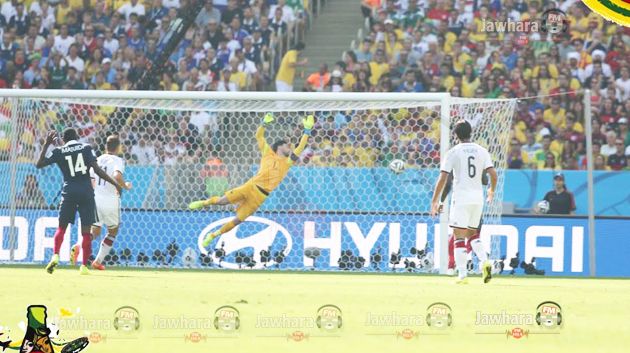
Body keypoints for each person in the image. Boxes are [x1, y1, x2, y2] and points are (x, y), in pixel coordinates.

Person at [189, 113, 314, 247]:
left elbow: (300, 148)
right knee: (221, 201)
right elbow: (258, 136)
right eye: (287, 146)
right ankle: (204, 203)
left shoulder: (288, 162)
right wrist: (264, 124)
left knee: (238, 220)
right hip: (251, 186)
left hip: (260, 196)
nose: (289, 148)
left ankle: (212, 236)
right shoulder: (268, 153)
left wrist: (307, 131)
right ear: (279, 146)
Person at [36, 128, 122, 275]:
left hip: (68, 191)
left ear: (63, 139)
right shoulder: (86, 148)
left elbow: (39, 164)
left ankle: (55, 255)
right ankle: (83, 266)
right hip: (86, 192)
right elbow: (97, 170)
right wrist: (115, 183)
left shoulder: (59, 151)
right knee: (86, 232)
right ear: (77, 136)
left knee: (61, 228)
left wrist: (46, 145)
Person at [430, 120, 497, 284]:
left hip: (461, 198)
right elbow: (493, 174)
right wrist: (491, 190)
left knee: (458, 236)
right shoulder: (482, 151)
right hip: (477, 199)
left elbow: (443, 178)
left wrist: (435, 201)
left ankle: (462, 274)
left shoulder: (453, 152)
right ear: (471, 133)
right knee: (472, 235)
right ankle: (485, 261)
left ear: (455, 135)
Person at [77, 135, 133, 271]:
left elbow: (91, 180)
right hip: (111, 201)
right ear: (118, 147)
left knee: (94, 232)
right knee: (113, 231)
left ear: (105, 146)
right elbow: (117, 176)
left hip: (95, 199)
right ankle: (97, 261)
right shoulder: (118, 160)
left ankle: (78, 245)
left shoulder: (98, 159)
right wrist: (124, 186)